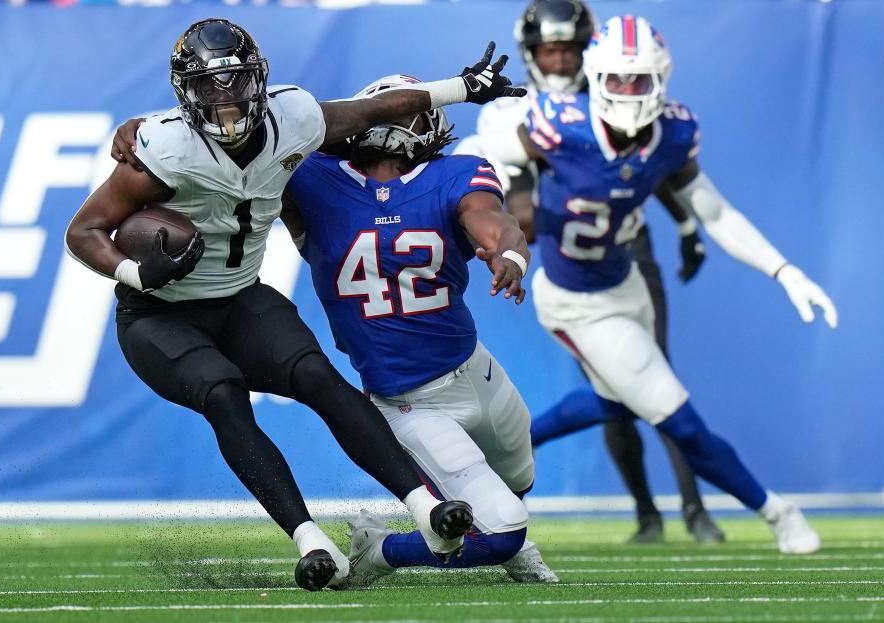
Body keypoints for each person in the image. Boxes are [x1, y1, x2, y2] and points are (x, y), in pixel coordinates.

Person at [67, 18, 524, 591]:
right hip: (160, 312)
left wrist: (461, 87)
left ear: (259, 79)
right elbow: (83, 231)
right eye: (211, 86)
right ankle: (310, 538)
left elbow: (372, 112)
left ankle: (424, 507)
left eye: (236, 81)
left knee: (319, 377)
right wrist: (138, 270)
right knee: (225, 395)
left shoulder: (295, 118)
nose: (227, 98)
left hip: (239, 297)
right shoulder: (164, 145)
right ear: (186, 92)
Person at [520, 15, 837, 554]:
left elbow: (716, 213)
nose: (626, 91)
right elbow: (488, 164)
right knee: (679, 418)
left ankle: (507, 448)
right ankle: (779, 513)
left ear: (660, 80)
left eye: (637, 80)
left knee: (617, 403)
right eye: (616, 79)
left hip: (627, 284)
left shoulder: (672, 132)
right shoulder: (555, 123)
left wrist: (785, 270)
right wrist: (504, 223)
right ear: (594, 78)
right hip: (576, 302)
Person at [453, 0, 723, 544]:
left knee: (655, 375)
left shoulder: (611, 93)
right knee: (612, 387)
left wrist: (690, 223)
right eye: (548, 49)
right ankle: (647, 512)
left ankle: (695, 511)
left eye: (568, 49)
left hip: (627, 248)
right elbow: (515, 203)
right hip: (566, 257)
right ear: (530, 52)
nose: (557, 61)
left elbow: (661, 168)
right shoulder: (515, 113)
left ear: (588, 52)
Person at [278, 74, 557, 588]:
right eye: (378, 110)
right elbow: (249, 139)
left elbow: (492, 219)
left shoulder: (456, 174)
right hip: (408, 401)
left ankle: (491, 533)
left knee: (519, 481)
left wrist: (509, 251)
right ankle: (380, 550)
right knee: (503, 532)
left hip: (476, 370)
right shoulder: (312, 177)